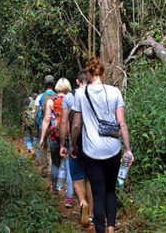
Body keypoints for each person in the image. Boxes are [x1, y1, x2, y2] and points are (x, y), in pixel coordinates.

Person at [70, 57, 133, 233]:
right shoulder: (114, 92)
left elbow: (76, 125)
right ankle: (111, 228)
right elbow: (122, 123)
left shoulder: (80, 94)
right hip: (113, 149)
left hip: (92, 152)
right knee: (110, 191)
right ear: (102, 73)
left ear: (89, 74)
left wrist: (73, 145)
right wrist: (127, 149)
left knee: (97, 196)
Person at [60, 69, 94, 226]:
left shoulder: (69, 97)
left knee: (77, 176)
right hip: (93, 143)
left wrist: (65, 144)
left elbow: (65, 122)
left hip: (76, 142)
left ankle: (81, 203)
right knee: (90, 178)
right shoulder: (96, 94)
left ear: (77, 81)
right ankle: (91, 214)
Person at [39, 77, 72, 193]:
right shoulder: (71, 100)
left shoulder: (51, 101)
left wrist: (42, 138)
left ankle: (55, 188)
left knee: (55, 163)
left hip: (54, 135)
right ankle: (69, 194)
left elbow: (46, 120)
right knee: (69, 165)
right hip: (68, 136)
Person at [34, 75, 56, 169]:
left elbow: (36, 113)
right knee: (52, 147)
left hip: (43, 125)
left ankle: (44, 168)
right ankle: (52, 169)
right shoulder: (57, 96)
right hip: (54, 126)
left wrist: (36, 126)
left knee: (43, 146)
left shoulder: (40, 97)